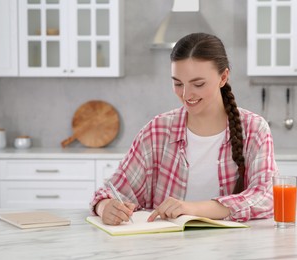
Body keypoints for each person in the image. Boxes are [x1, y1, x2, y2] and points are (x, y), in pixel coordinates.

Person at [90, 33, 277, 225]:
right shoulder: (157, 131)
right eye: (178, 83)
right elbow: (112, 191)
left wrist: (191, 208)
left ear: (223, 77)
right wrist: (105, 207)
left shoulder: (254, 129)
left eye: (198, 84)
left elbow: (266, 197)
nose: (186, 94)